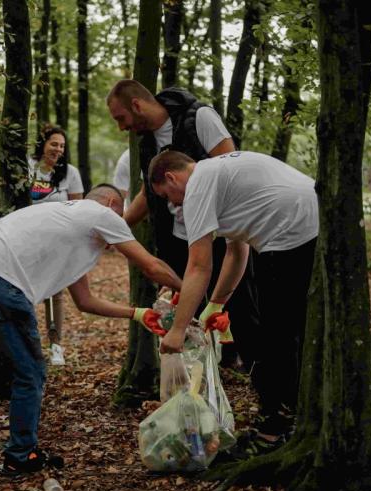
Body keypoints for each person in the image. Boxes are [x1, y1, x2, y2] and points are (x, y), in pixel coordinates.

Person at [0, 185, 182, 474]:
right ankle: (21, 454)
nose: (121, 225)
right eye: (121, 215)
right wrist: (192, 291)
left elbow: (85, 301)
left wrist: (138, 314)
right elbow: (152, 267)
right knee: (29, 370)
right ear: (109, 203)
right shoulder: (99, 213)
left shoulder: (67, 224)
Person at [148, 150, 318, 444]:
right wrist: (215, 303)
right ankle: (295, 416)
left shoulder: (198, 186)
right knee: (291, 329)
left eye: (167, 194)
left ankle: (274, 430)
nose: (171, 203)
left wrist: (177, 332)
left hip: (290, 231)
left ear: (171, 177)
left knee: (277, 335)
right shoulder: (218, 173)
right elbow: (237, 250)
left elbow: (199, 265)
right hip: (309, 220)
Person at [106, 79, 259, 371]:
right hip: (179, 240)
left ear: (136, 105)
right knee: (191, 309)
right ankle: (203, 379)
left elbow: (232, 168)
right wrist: (117, 228)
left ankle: (255, 371)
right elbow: (147, 194)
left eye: (121, 118)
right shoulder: (147, 142)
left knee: (238, 304)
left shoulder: (198, 118)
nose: (121, 127)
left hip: (219, 235)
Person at [28, 125, 85, 366]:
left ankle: (56, 346)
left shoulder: (69, 173)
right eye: (54, 144)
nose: (58, 149)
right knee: (27, 291)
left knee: (55, 293)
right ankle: (28, 344)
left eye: (61, 146)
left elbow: (77, 208)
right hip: (29, 237)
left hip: (58, 240)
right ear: (43, 144)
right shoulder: (27, 167)